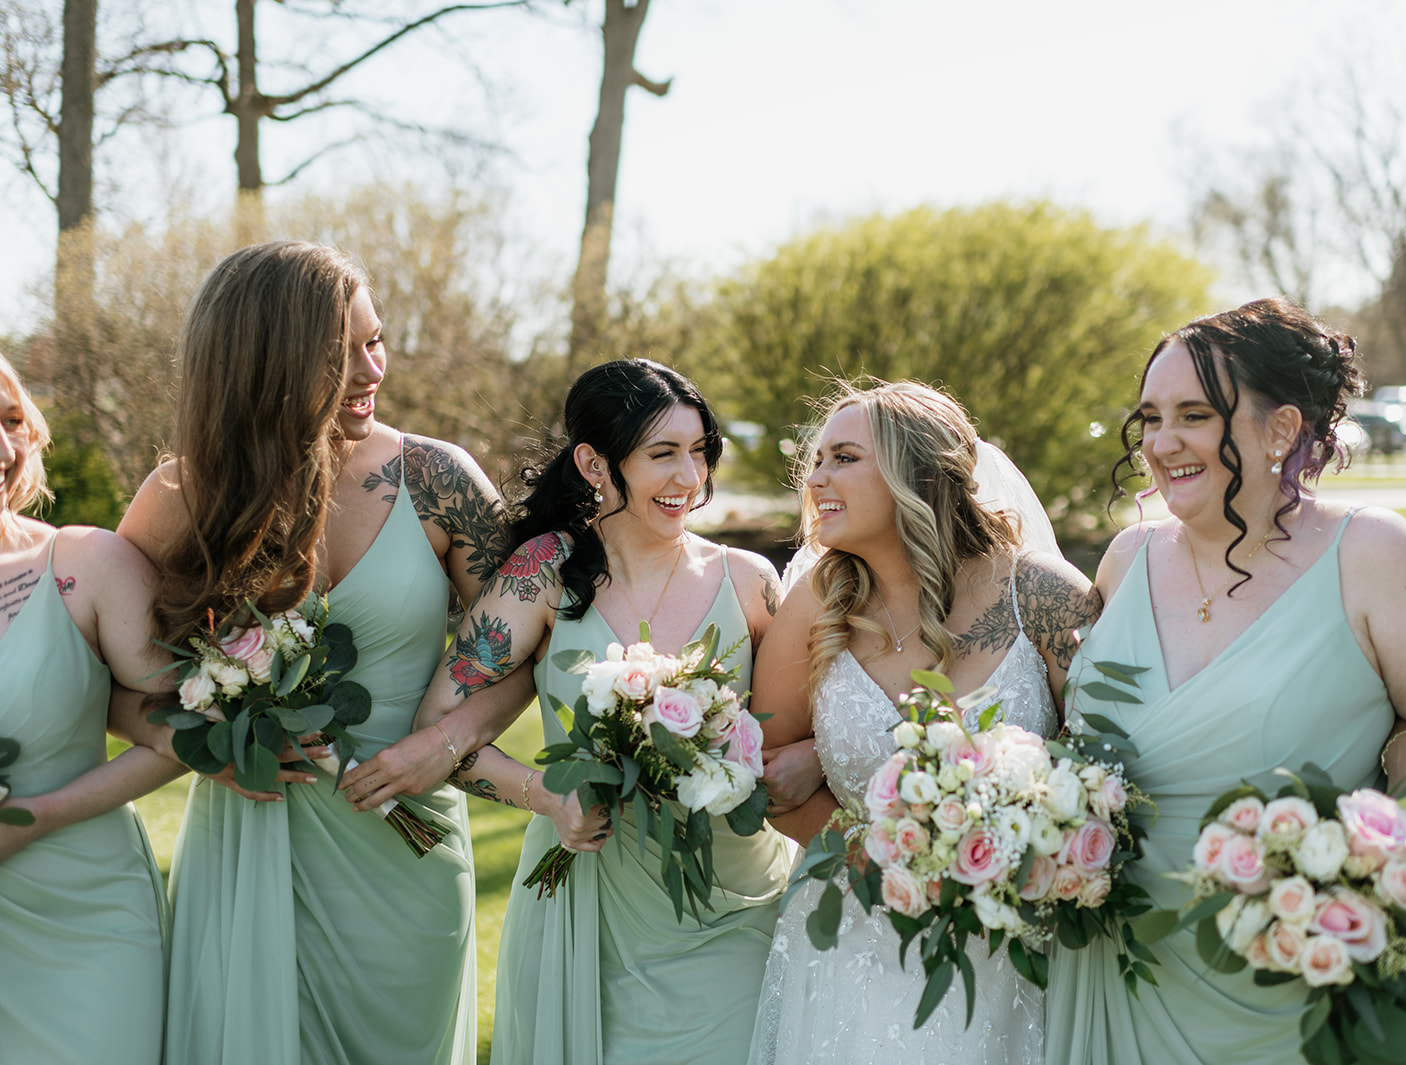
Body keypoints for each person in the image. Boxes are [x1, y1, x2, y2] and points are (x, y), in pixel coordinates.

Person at [1042, 298, 1406, 1064]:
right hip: (1112, 968)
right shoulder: (1126, 558)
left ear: (1282, 429)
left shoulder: (1374, 559)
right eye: (1150, 418)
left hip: (1281, 987)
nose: (1161, 442)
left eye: (1194, 414)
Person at [116, 241, 520, 1065]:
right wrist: (201, 745)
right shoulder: (180, 497)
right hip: (249, 840)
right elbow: (114, 687)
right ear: (261, 361)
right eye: (340, 355)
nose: (373, 368)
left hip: (407, 848)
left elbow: (517, 664)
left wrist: (439, 746)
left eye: (376, 339)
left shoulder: (440, 480)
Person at [365, 358, 795, 1065]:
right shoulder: (542, 574)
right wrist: (546, 796)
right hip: (590, 905)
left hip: (734, 903)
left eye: (699, 451)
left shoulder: (749, 582)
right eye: (663, 454)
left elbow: (795, 738)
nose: (690, 478)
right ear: (594, 462)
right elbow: (439, 728)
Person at [745, 380, 1099, 1065]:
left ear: (919, 474)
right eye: (817, 459)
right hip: (853, 943)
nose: (815, 477)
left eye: (843, 457)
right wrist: (893, 859)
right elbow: (769, 778)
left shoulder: (1043, 595)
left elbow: (1106, 767)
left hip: (1012, 945)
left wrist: (1008, 854)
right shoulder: (819, 602)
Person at [0, 355, 180, 1065]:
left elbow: (179, 732)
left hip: (90, 916)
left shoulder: (84, 564)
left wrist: (35, 818)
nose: (5, 448)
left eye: (14, 420)